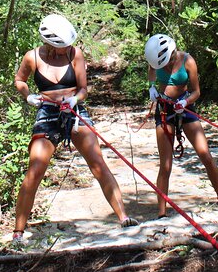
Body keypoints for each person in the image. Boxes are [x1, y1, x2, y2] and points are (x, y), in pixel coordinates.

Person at [13, 14, 138, 243]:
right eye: (60, 47)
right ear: (48, 43)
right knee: (35, 170)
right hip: (47, 113)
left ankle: (123, 217)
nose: (65, 50)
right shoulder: (32, 57)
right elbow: (19, 80)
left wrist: (75, 99)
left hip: (74, 111)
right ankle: (18, 232)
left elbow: (83, 88)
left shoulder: (75, 54)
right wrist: (27, 95)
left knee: (97, 163)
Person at [144, 34, 218, 218]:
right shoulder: (156, 58)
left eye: (167, 63)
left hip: (185, 108)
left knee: (204, 154)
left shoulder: (187, 61)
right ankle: (162, 212)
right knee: (165, 165)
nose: (165, 67)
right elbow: (152, 71)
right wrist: (152, 87)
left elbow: (196, 91)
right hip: (164, 109)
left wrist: (184, 103)